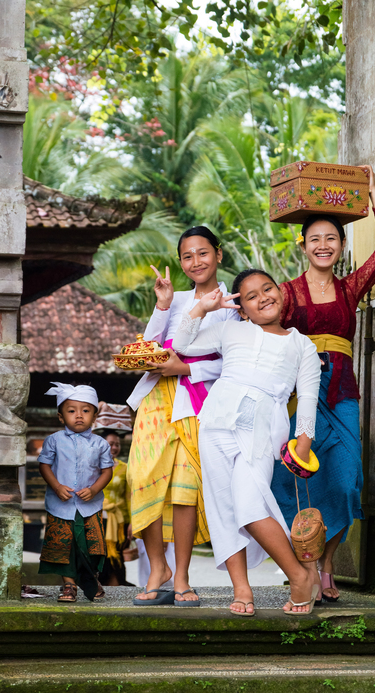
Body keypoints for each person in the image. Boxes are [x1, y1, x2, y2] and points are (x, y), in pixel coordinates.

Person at [271, 165, 375, 602]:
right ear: (302, 246)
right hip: (298, 397)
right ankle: (304, 565)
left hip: (343, 394)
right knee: (292, 480)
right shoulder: (285, 293)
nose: (323, 245)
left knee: (344, 482)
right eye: (314, 239)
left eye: (331, 238)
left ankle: (327, 565)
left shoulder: (351, 288)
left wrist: (374, 190)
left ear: (342, 246)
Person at [173, 270, 321, 615]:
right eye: (251, 296)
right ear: (242, 308)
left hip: (264, 425)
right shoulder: (230, 328)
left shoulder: (302, 344)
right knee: (223, 507)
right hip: (216, 421)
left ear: (281, 293)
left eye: (267, 289)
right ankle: (242, 590)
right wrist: (202, 308)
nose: (262, 298)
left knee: (250, 505)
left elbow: (309, 398)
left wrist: (303, 444)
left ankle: (299, 576)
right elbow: (181, 344)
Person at [127, 226, 240, 606]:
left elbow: (233, 362)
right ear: (180, 262)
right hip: (158, 398)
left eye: (203, 253)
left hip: (200, 401)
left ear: (219, 254)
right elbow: (149, 347)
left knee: (184, 490)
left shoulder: (234, 304)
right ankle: (157, 567)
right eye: (188, 256)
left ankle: (182, 577)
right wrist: (162, 305)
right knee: (141, 476)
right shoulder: (173, 299)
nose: (196, 262)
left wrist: (188, 370)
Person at [38, 383, 114, 602]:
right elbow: (44, 465)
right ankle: (69, 586)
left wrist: (94, 489)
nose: (78, 416)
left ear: (95, 416)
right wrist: (57, 486)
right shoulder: (53, 440)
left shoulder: (101, 444)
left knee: (91, 546)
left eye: (85, 410)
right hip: (61, 505)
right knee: (65, 547)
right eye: (71, 411)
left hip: (89, 506)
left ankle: (91, 579)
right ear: (61, 417)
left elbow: (107, 472)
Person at [97, 430, 135, 587]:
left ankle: (118, 584)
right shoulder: (93, 467)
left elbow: (129, 497)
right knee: (100, 553)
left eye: (117, 444)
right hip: (98, 518)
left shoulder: (125, 468)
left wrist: (133, 522)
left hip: (120, 520)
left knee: (117, 554)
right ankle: (101, 585)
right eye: (110, 444)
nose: (114, 448)